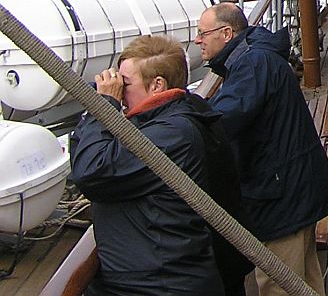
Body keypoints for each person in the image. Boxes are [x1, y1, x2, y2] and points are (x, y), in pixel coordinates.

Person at [70, 35, 242, 296]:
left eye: (126, 84)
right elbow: (85, 159)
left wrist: (104, 105)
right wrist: (100, 109)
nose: (119, 92)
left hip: (162, 284)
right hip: (157, 277)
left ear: (157, 85)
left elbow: (91, 173)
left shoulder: (171, 134)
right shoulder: (172, 117)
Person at [196, 3, 328, 296]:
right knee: (305, 279)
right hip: (295, 186)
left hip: (280, 196)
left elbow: (221, 121)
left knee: (279, 284)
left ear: (227, 33)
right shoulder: (255, 57)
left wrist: (182, 113)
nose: (198, 40)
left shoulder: (252, 66)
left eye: (202, 33)